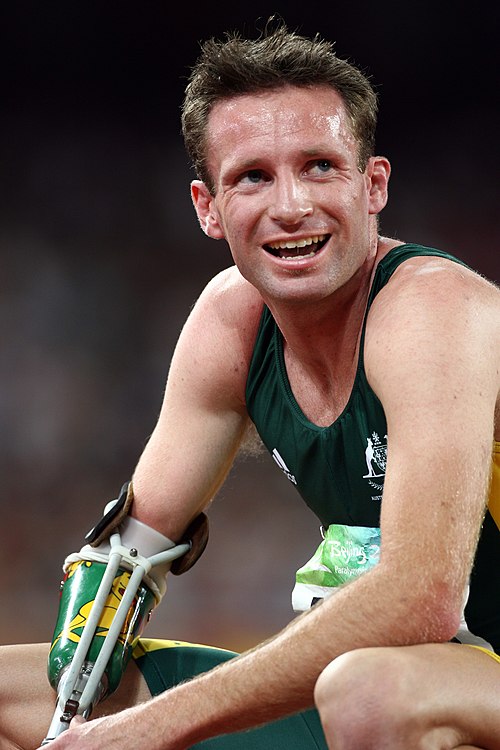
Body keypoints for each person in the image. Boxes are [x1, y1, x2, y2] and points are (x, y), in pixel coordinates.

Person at [1, 20, 499, 750]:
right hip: (413, 686)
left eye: (321, 166)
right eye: (252, 176)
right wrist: (76, 687)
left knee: (367, 689)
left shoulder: (432, 308)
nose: (291, 205)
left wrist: (146, 730)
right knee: (12, 695)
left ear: (374, 185)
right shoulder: (231, 323)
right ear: (207, 206)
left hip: (431, 685)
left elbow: (419, 602)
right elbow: (131, 555)